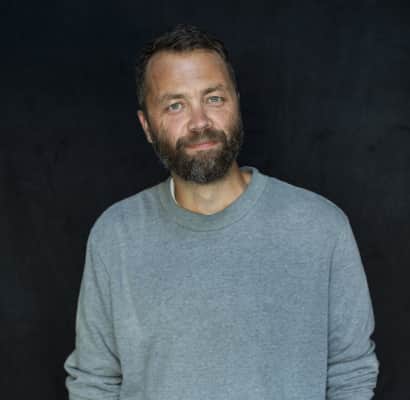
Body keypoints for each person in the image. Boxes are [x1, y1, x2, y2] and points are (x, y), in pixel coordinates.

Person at [64, 24, 379, 399]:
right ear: (146, 125)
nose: (199, 122)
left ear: (236, 104)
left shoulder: (320, 228)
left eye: (213, 98)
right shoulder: (116, 235)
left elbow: (351, 374)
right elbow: (95, 383)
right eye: (175, 105)